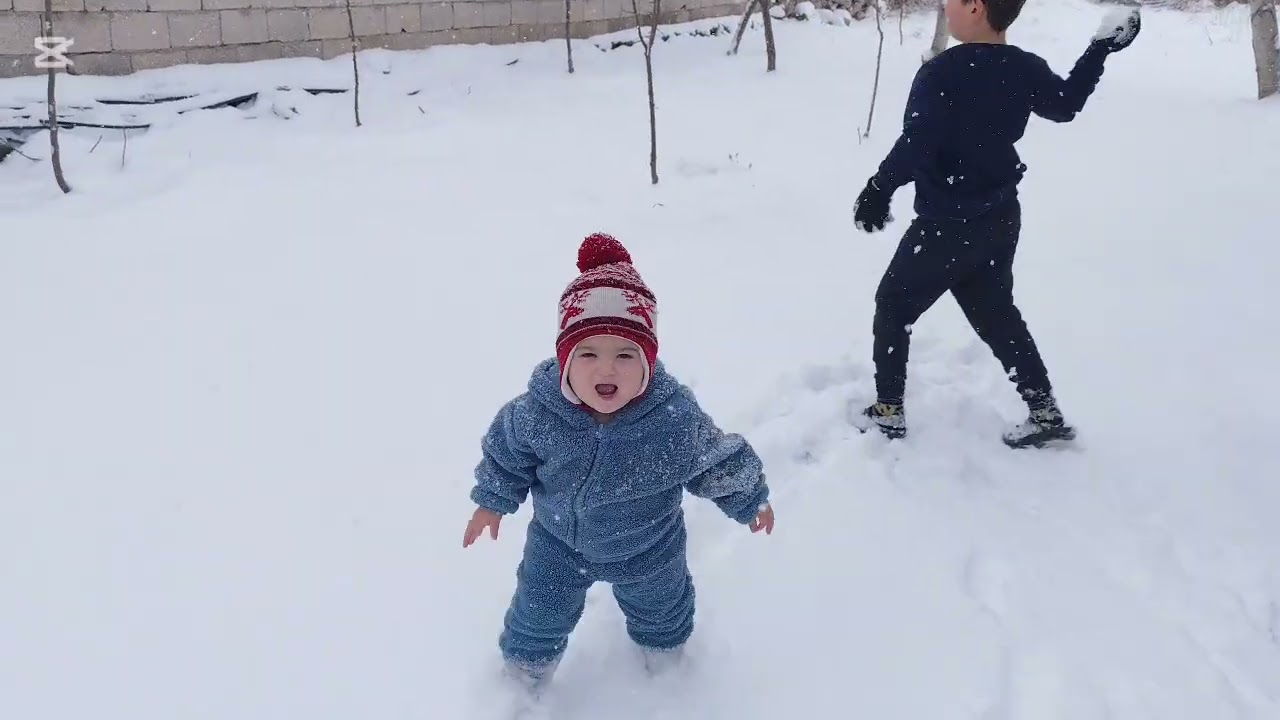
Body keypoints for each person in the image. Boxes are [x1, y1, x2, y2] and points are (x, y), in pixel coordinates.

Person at [462, 232, 775, 694]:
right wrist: (491, 502)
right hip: (557, 545)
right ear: (565, 360)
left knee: (663, 611)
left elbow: (713, 459)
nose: (606, 370)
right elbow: (506, 457)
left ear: (648, 362)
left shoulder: (671, 418)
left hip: (648, 548)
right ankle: (524, 676)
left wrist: (749, 499)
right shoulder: (536, 414)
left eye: (625, 356)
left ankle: (665, 663)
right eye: (587, 354)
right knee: (537, 614)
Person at [850, 0, 1142, 448]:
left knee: (893, 304)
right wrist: (1099, 49)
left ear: (975, 7)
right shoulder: (1023, 67)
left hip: (946, 225)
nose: (945, 5)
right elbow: (1065, 105)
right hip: (999, 219)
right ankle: (1044, 411)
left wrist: (878, 188)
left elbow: (918, 143)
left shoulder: (941, 73)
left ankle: (889, 411)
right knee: (995, 312)